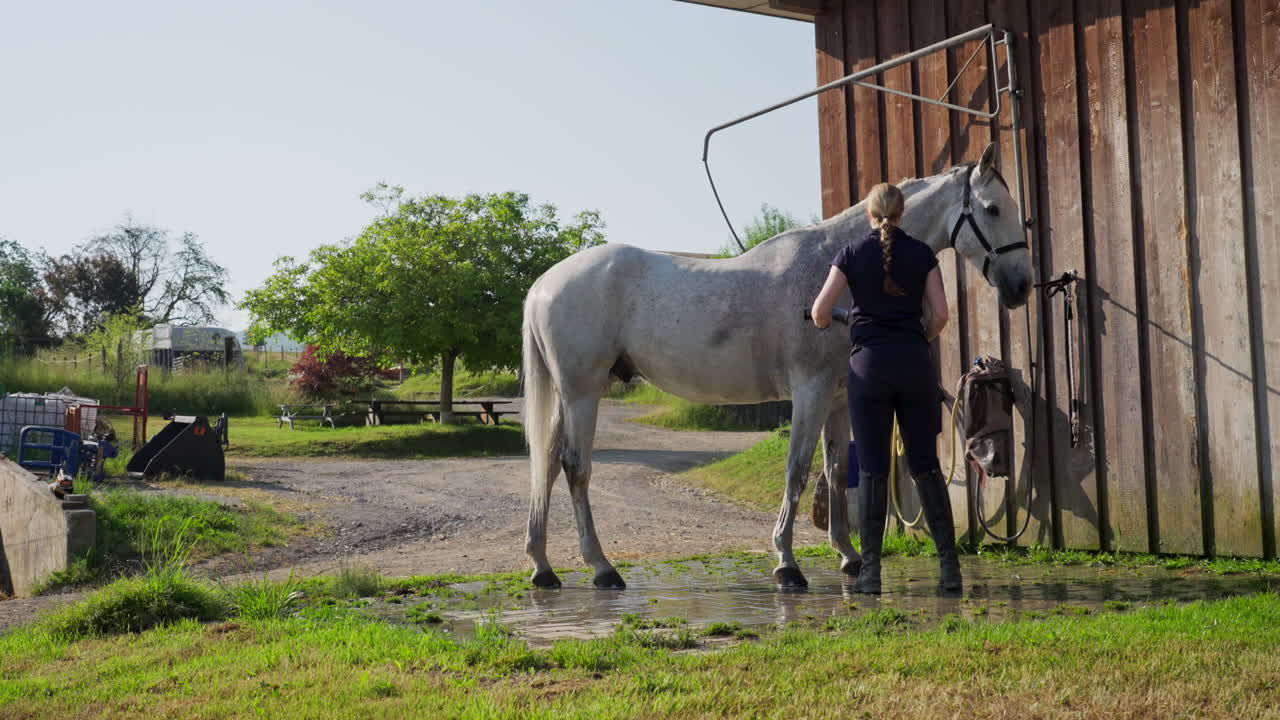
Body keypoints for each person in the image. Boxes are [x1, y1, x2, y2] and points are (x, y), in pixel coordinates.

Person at [810, 182, 960, 594]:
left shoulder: (851, 254)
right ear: (901, 213)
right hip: (915, 367)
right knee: (926, 466)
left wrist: (847, 319)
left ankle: (871, 573)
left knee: (873, 469)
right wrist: (916, 338)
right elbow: (940, 315)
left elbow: (820, 311)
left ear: (869, 214)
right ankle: (950, 569)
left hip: (869, 370)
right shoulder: (923, 254)